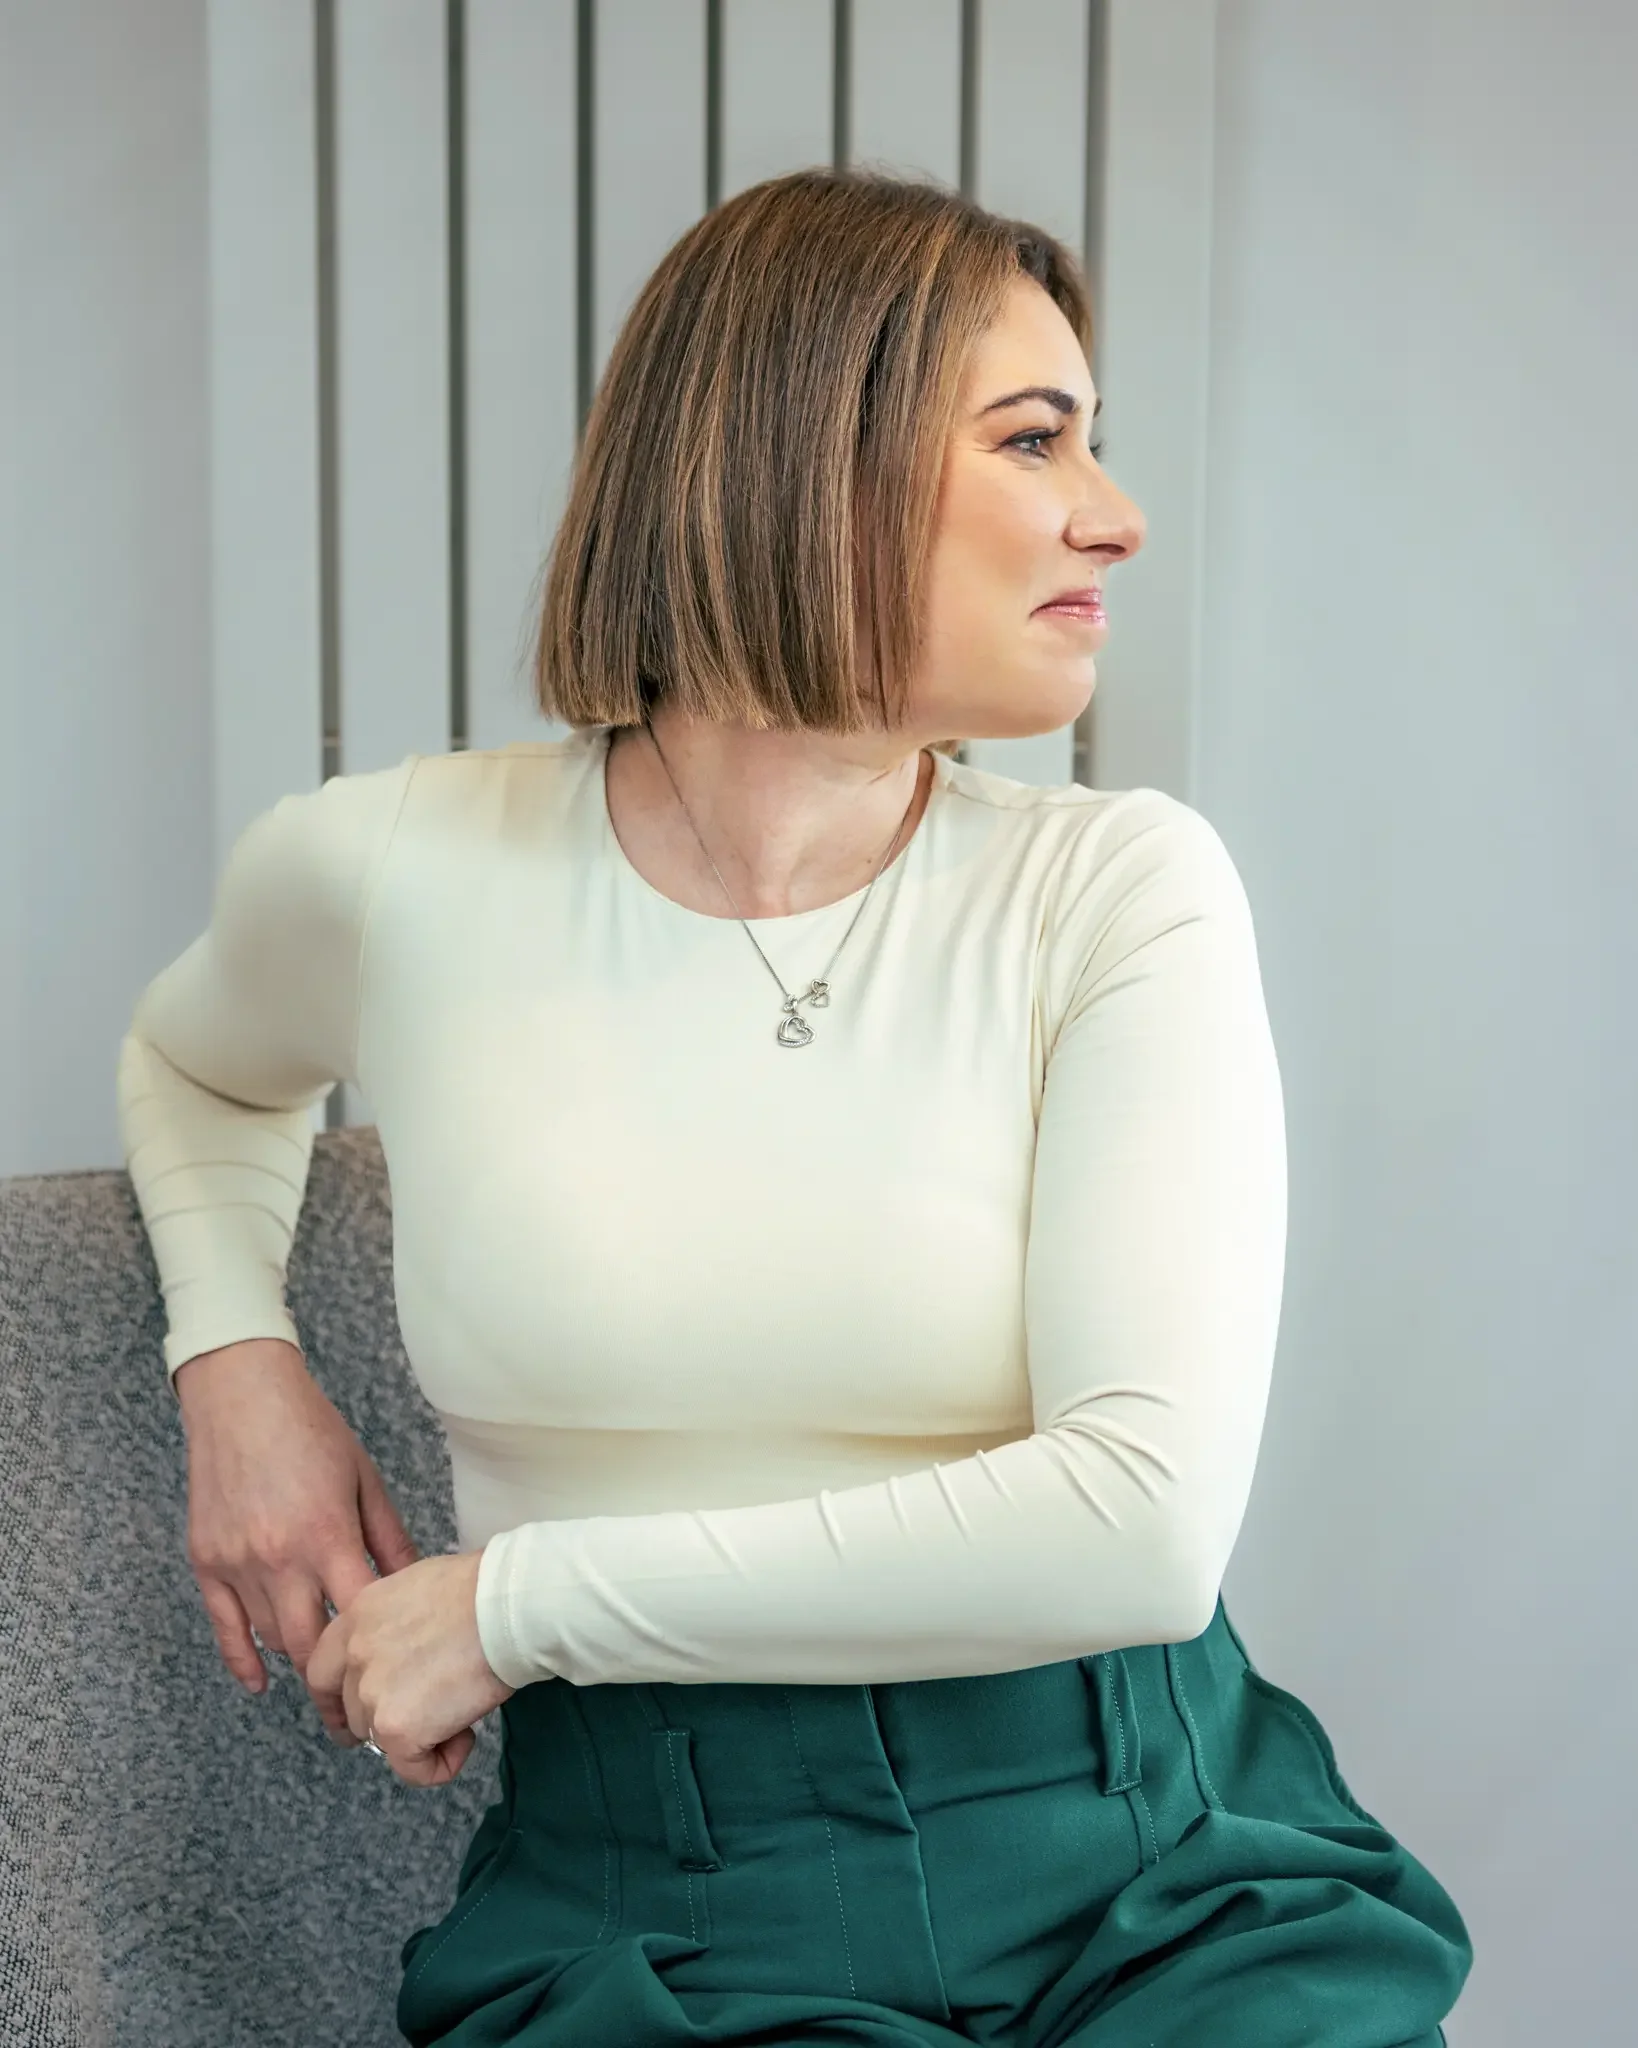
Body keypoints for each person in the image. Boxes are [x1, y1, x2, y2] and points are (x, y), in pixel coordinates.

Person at [115, 168, 1472, 2047]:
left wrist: (512, 1608)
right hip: (653, 1907)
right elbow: (195, 1063)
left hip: (1144, 1861)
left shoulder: (1118, 889)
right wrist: (234, 1363)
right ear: (799, 459)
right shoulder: (392, 871)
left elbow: (1138, 1527)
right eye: (1033, 439)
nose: (1116, 512)